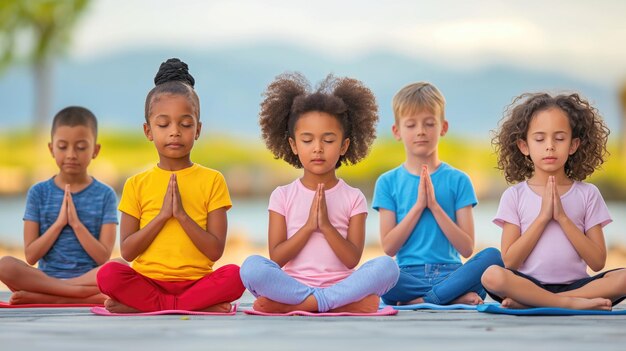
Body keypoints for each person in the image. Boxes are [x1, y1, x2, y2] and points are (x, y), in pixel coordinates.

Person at [240, 73, 399, 313]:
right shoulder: (282, 195)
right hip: (292, 285)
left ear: (344, 146)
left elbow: (351, 260)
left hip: (341, 284)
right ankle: (334, 304)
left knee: (388, 267)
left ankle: (309, 304)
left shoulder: (353, 197)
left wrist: (325, 225)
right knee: (251, 267)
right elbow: (277, 258)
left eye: (328, 140)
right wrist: (307, 227)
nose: (317, 148)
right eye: (307, 140)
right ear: (293, 145)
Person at [96, 58, 245, 313]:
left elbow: (215, 251)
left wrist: (182, 217)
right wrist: (163, 217)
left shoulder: (213, 180)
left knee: (237, 275)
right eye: (163, 125)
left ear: (197, 130)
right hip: (148, 282)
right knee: (108, 273)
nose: (174, 132)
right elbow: (129, 251)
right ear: (148, 131)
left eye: (185, 124)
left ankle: (156, 306)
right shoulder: (136, 183)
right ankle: (190, 306)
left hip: (197, 282)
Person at [481, 92, 626, 310]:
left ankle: (536, 303)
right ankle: (566, 304)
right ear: (524, 146)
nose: (550, 146)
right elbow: (510, 262)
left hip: (578, 286)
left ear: (573, 145)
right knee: (492, 275)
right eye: (539, 139)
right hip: (529, 284)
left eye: (559, 138)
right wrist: (542, 218)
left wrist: (562, 218)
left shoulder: (588, 194)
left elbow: (597, 262)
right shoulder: (514, 195)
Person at [373, 82, 503, 306]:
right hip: (408, 276)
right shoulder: (387, 182)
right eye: (411, 125)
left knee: (493, 256)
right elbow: (389, 247)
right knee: (380, 271)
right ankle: (449, 297)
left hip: (451, 273)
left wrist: (434, 206)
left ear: (443, 127)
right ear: (397, 131)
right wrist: (418, 206)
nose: (421, 131)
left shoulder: (459, 180)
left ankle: (423, 300)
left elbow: (466, 248)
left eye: (429, 124)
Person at [0, 106, 118, 305]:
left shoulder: (105, 194)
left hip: (88, 278)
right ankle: (75, 296)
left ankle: (49, 297)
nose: (71, 154)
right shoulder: (38, 193)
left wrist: (76, 224)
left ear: (95, 150)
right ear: (51, 149)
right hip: (45, 280)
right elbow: (31, 255)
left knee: (119, 266)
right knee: (5, 265)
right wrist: (59, 223)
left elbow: (103, 257)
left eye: (81, 147)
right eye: (63, 146)